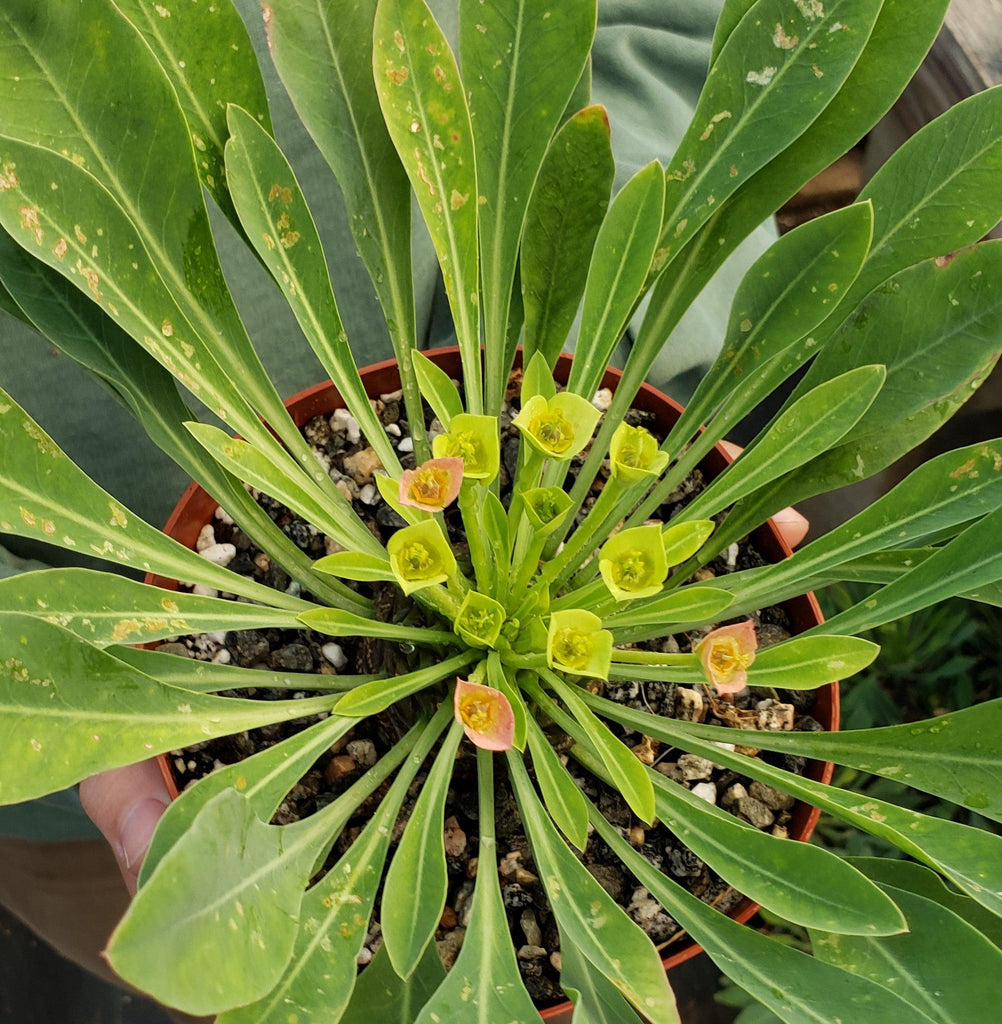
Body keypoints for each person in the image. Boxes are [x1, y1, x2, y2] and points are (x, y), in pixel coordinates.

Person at [0, 1, 797, 1019]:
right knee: (194, 946)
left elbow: (691, 26)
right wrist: (73, 649)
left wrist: (633, 317)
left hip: (488, 356)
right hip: (98, 693)